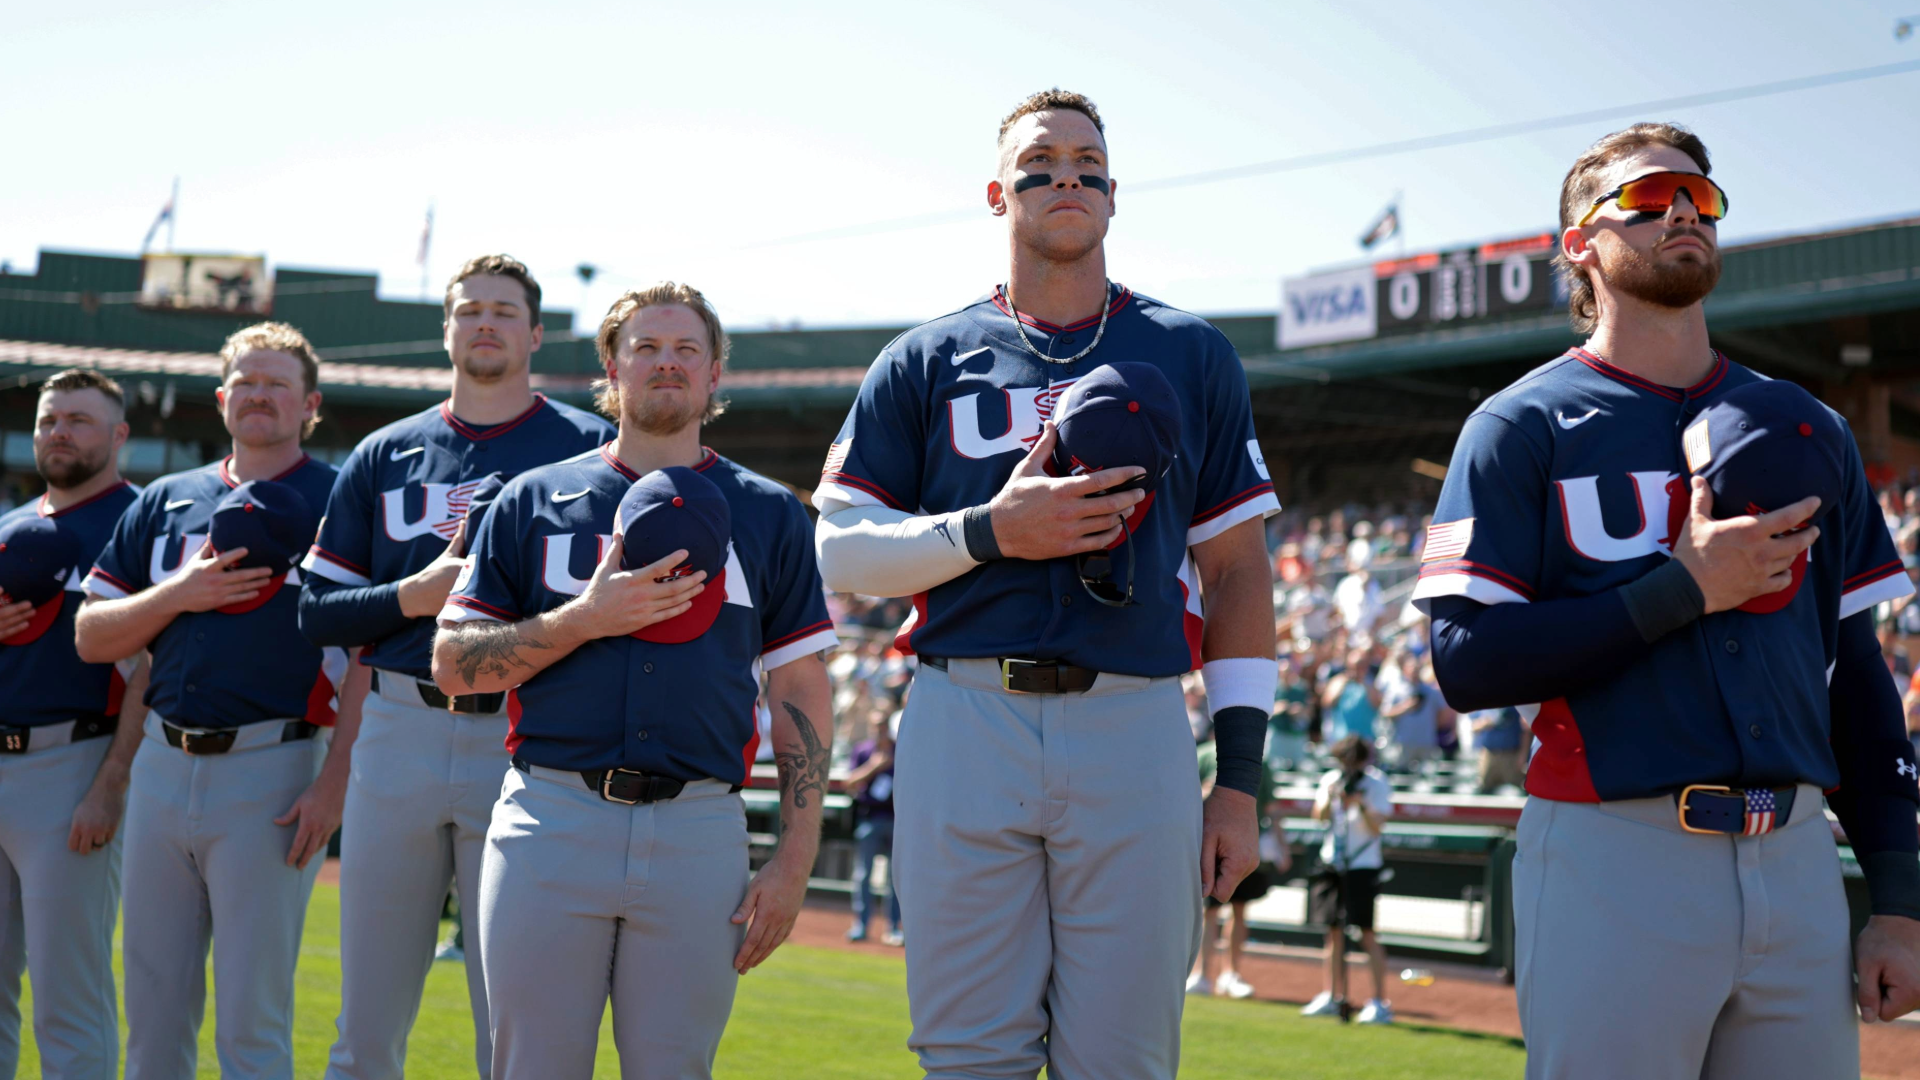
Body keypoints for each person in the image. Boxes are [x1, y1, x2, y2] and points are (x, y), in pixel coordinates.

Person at [1416, 123, 1920, 1079]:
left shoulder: (1810, 424)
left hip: (1800, 856)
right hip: (1618, 851)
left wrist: (1896, 897)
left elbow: (1853, 673)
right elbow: (1468, 660)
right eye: (1648, 201)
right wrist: (1682, 590)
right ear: (1579, 245)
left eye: (1701, 198)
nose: (1683, 211)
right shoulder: (1518, 426)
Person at [811, 89, 1279, 1079]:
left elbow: (1236, 572)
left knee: (1125, 1059)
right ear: (998, 193)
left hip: (1137, 719)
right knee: (968, 1054)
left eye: (1087, 164)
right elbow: (841, 552)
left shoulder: (1192, 353)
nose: (1066, 177)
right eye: (1040, 164)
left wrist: (1238, 780)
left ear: (1114, 195)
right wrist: (993, 531)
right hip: (963, 713)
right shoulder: (925, 357)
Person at [431, 283, 838, 1080]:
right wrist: (585, 617)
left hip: (700, 829)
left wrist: (794, 862)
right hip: (552, 816)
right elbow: (452, 665)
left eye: (687, 349)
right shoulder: (533, 500)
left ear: (716, 373)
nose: (667, 364)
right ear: (609, 369)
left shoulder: (770, 514)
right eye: (645, 348)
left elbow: (800, 693)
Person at [297, 254, 612, 1080]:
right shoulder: (386, 451)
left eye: (505, 311)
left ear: (536, 334)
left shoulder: (591, 447)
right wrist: (418, 592)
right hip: (397, 727)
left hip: (523, 738)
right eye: (469, 308)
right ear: (446, 330)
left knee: (509, 1020)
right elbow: (314, 612)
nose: (485, 322)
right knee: (364, 1022)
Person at [76, 323, 348, 1079]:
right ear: (223, 399)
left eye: (277, 385)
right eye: (246, 383)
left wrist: (334, 783)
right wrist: (180, 593)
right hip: (164, 762)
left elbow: (364, 661)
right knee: (153, 1017)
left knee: (251, 1023)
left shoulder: (338, 500)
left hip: (278, 764)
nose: (259, 396)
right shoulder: (166, 499)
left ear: (310, 405)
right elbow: (93, 637)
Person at [0, 370, 144, 1079]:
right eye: (50, 418)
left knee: (70, 1002)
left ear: (119, 436)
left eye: (80, 420)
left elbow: (157, 667)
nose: (61, 432)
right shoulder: (7, 527)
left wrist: (112, 780)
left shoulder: (145, 520)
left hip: (74, 765)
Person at [1300, 735, 1394, 1024]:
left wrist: (1360, 804)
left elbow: (1378, 827)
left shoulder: (1376, 783)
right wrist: (1331, 798)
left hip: (1362, 865)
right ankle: (1332, 994)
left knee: (1365, 932)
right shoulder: (1331, 779)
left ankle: (1379, 1002)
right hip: (1333, 862)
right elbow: (1319, 817)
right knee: (1333, 932)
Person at [1187, 734, 1286, 999]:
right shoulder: (1207, 755)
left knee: (1236, 910)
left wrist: (1281, 844)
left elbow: (1271, 807)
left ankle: (1227, 974)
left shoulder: (1255, 761)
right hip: (1215, 843)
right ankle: (1203, 974)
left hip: (1226, 843)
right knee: (1210, 912)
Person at [845, 708, 903, 946]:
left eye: (882, 725)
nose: (878, 730)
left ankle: (893, 928)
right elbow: (848, 783)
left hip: (897, 820)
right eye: (874, 726)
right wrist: (874, 767)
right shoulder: (863, 751)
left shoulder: (902, 748)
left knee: (895, 878)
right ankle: (861, 924)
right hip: (869, 819)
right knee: (863, 875)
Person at [1319, 644, 1379, 745]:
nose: (1358, 669)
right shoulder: (1338, 681)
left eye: (1361, 665)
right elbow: (1327, 703)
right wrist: (1343, 683)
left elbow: (1377, 704)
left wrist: (1364, 683)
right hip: (1341, 737)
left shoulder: (1370, 683)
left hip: (1365, 739)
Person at [1470, 706, 1527, 793]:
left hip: (1511, 754)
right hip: (1489, 754)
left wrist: (1523, 755)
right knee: (1484, 789)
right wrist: (1485, 722)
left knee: (1519, 789)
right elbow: (1474, 726)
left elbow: (1526, 729)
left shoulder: (1515, 704)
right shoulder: (1484, 703)